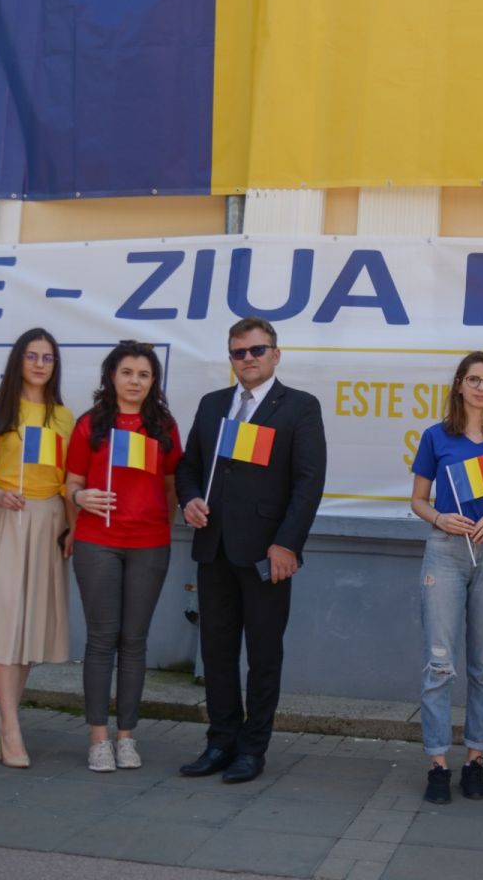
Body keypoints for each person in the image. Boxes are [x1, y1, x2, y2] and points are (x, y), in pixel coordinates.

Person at [175, 317, 326, 784]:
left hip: (267, 554)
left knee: (263, 656)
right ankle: (220, 742)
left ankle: (252, 749)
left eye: (257, 350)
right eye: (239, 352)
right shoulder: (213, 404)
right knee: (217, 653)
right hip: (214, 548)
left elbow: (308, 484)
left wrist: (287, 544)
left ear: (275, 355)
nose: (248, 359)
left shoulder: (299, 406)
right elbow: (188, 467)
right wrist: (189, 499)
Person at [410, 352, 483, 804]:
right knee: (439, 665)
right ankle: (438, 764)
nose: (480, 387)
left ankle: (475, 760)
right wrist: (439, 518)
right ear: (459, 384)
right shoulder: (436, 436)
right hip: (445, 551)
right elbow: (418, 500)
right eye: (473, 379)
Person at [64, 341, 181, 773]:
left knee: (134, 641)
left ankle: (127, 736)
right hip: (98, 541)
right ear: (111, 376)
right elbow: (71, 482)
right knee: (101, 640)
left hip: (149, 544)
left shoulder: (164, 426)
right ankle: (98, 738)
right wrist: (80, 498)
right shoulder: (90, 424)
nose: (135, 381)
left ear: (154, 381)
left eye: (144, 374)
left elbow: (171, 485)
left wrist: (159, 524)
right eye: (127, 372)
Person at [0, 328, 74, 768]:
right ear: (18, 361)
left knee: (30, 625)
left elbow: (71, 479)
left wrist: (72, 526)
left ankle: (3, 717)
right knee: (6, 621)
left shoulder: (64, 417)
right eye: (32, 356)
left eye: (47, 357)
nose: (40, 364)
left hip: (49, 522)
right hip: (8, 516)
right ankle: (11, 728)